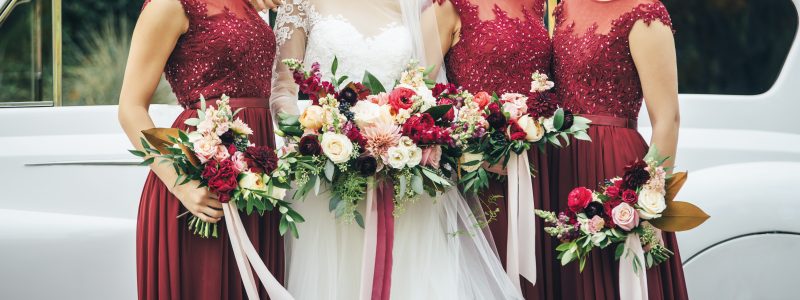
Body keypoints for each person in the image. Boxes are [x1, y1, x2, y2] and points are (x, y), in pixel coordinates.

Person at [270, 0, 520, 299]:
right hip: (327, 172)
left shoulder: (421, 6)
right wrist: (316, 134)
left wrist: (406, 137)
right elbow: (283, 89)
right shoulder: (300, 3)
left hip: (401, 173)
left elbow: (424, 89)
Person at [118, 0, 283, 298]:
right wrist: (182, 187)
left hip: (256, 179)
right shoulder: (169, 5)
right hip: (198, 178)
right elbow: (130, 109)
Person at [549, 0, 688, 298]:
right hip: (560, 163)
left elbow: (667, 119)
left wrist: (648, 201)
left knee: (614, 274)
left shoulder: (646, 13)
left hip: (612, 165)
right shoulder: (566, 5)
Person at [434, 0, 556, 298]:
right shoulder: (450, 6)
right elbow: (423, 90)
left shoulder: (537, 4)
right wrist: (469, 138)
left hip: (537, 164)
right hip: (480, 170)